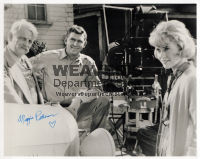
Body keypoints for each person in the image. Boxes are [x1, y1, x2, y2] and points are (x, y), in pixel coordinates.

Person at [30, 25, 110, 132]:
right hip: (51, 109)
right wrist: (33, 93)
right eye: (72, 39)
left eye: (79, 41)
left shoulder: (88, 62)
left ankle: (95, 139)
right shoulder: (48, 57)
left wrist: (79, 99)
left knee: (103, 101)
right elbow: (23, 67)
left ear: (84, 44)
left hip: (74, 108)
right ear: (65, 40)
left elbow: (97, 89)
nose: (75, 44)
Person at [149, 20, 196, 156]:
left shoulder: (192, 79)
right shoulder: (175, 77)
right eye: (158, 49)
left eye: (166, 48)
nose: (162, 55)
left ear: (181, 47)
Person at [4, 19, 44, 104]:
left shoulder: (24, 59)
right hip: (20, 114)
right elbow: (9, 97)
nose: (26, 44)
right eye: (23, 39)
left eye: (30, 41)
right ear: (10, 37)